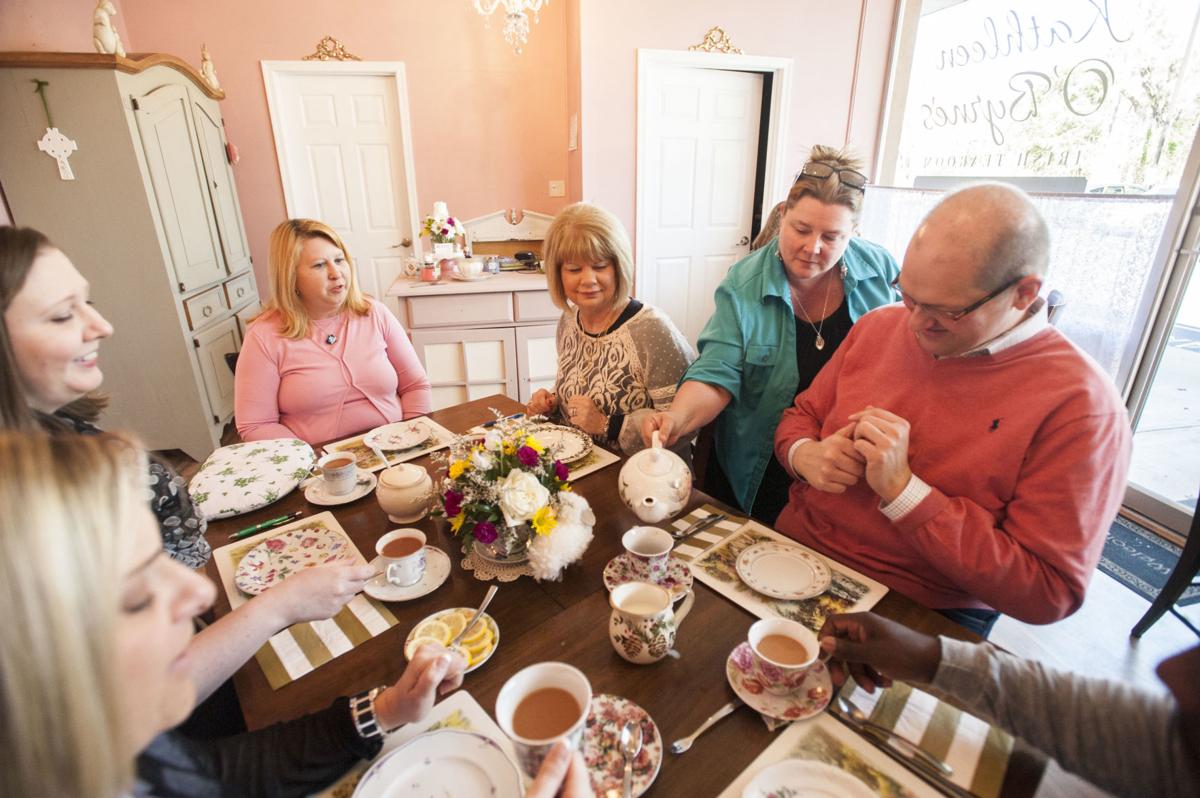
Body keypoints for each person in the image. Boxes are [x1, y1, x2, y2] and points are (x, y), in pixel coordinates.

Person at [0, 430, 594, 797]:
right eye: (134, 594)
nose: (200, 595)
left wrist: (382, 710)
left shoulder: (120, 759)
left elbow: (226, 775)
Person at [0, 225, 372, 715]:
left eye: (87, 302)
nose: (102, 325)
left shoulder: (56, 430)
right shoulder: (24, 496)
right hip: (186, 677)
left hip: (200, 642)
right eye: (64, 313)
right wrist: (276, 608)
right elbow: (126, 704)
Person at [774, 184, 1131, 637]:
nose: (917, 322)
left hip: (922, 608)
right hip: (795, 549)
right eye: (908, 295)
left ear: (1024, 293)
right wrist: (804, 454)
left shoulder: (1081, 405)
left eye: (946, 312)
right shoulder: (880, 326)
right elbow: (798, 418)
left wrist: (904, 493)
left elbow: (1047, 592)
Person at [642, 146, 899, 523]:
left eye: (832, 237)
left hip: (848, 471)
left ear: (854, 233)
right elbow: (717, 371)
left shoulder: (881, 268)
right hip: (762, 463)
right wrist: (678, 419)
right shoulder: (743, 285)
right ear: (783, 215)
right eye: (801, 229)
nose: (813, 248)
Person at [818, 612, 1200, 798]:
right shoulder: (1174, 754)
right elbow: (1115, 730)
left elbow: (1049, 592)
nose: (1168, 669)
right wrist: (929, 657)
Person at [236, 218, 432, 445]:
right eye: (319, 265)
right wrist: (314, 461)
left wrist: (410, 438)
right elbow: (255, 425)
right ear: (291, 277)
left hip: (397, 446)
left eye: (340, 260)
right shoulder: (264, 336)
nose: (336, 273)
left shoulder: (374, 314)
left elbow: (416, 385)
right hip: (322, 466)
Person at [527, 202, 695, 456]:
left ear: (618, 266)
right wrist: (551, 402)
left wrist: (609, 425)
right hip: (580, 464)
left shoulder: (651, 329)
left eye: (599, 266)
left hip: (639, 474)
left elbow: (683, 426)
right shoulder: (569, 321)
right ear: (558, 274)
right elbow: (583, 388)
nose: (588, 280)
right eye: (574, 269)